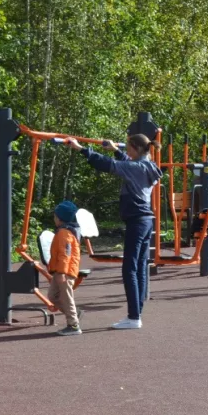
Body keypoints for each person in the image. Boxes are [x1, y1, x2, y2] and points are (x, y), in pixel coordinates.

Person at [68, 134, 162, 330]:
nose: (127, 151)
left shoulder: (134, 167)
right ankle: (136, 314)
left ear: (136, 148)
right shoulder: (149, 165)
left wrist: (80, 148)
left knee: (129, 268)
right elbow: (129, 162)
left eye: (128, 148)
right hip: (146, 221)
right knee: (139, 267)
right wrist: (117, 150)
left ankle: (134, 317)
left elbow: (105, 164)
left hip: (137, 222)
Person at [49, 200, 82, 336]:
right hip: (60, 270)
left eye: (55, 216)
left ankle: (73, 325)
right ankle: (74, 314)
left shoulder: (65, 233)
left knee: (66, 297)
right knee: (53, 296)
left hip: (65, 271)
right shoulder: (63, 231)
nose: (54, 218)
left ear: (60, 218)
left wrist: (62, 272)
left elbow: (65, 254)